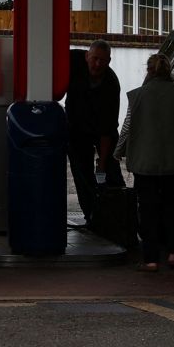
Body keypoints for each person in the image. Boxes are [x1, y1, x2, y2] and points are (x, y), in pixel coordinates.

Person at [116, 52, 174, 271]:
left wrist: (118, 151)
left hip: (145, 164)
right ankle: (173, 254)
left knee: (148, 210)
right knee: (172, 207)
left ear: (148, 71)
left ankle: (150, 259)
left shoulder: (138, 96)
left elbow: (127, 128)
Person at [62, 39, 122, 226]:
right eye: (94, 59)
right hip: (76, 126)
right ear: (87, 56)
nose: (97, 64)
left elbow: (107, 131)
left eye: (102, 61)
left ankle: (119, 217)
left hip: (102, 128)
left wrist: (102, 164)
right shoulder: (72, 61)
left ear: (109, 61)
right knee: (81, 172)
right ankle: (91, 216)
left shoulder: (111, 85)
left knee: (111, 170)